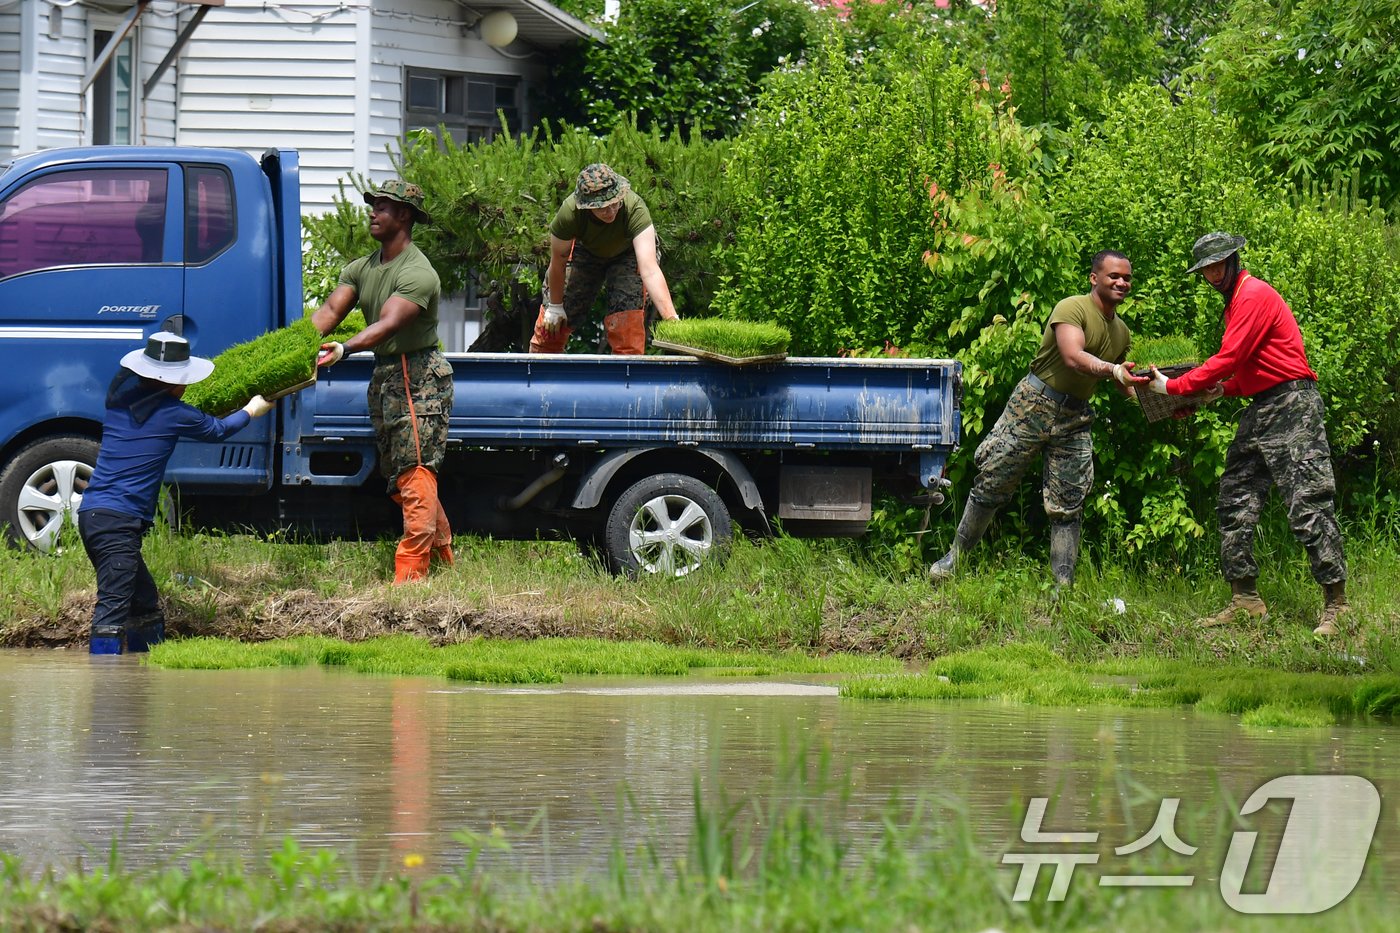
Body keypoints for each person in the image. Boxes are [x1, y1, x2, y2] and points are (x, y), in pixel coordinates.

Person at [1147, 232, 1349, 636]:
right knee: (1235, 495)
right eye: (1206, 268)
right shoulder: (1235, 304)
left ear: (1235, 259)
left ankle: (1339, 607)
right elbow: (1250, 371)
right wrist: (1216, 391)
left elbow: (1231, 358)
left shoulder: (1253, 294)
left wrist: (1172, 387)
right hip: (1263, 405)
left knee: (1308, 503)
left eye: (1219, 263)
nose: (1213, 272)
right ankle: (1245, 600)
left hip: (1293, 405)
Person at [930, 250, 1148, 588]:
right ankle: (954, 558)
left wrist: (1160, 401)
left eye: (1127, 278)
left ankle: (1063, 588)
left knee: (1068, 500)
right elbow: (1074, 357)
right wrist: (1113, 369)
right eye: (1114, 276)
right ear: (1094, 278)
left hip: (1074, 416)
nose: (1122, 282)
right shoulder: (1072, 308)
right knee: (992, 481)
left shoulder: (1121, 332)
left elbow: (1123, 382)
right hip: (1033, 405)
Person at [79, 332, 273, 655]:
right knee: (112, 608)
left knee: (143, 601)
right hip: (118, 521)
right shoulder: (174, 413)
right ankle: (106, 689)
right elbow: (218, 430)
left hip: (93, 516)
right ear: (173, 382)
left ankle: (147, 671)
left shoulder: (119, 401)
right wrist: (252, 410)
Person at [313, 179, 454, 585]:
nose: (372, 212)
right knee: (402, 476)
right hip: (386, 377)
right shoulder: (362, 267)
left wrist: (344, 349)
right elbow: (329, 311)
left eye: (383, 207)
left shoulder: (418, 273)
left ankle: (411, 581)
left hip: (418, 377)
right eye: (372, 205)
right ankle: (446, 566)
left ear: (405, 215)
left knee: (415, 475)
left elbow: (390, 323)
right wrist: (300, 345)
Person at [530, 163, 680, 355]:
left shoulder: (634, 208)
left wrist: (671, 318)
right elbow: (558, 262)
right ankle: (539, 374)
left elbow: (649, 269)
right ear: (587, 205)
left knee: (627, 322)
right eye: (602, 207)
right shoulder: (570, 213)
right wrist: (555, 306)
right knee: (553, 324)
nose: (610, 212)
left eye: (614, 203)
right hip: (585, 251)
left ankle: (627, 377)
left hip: (628, 254)